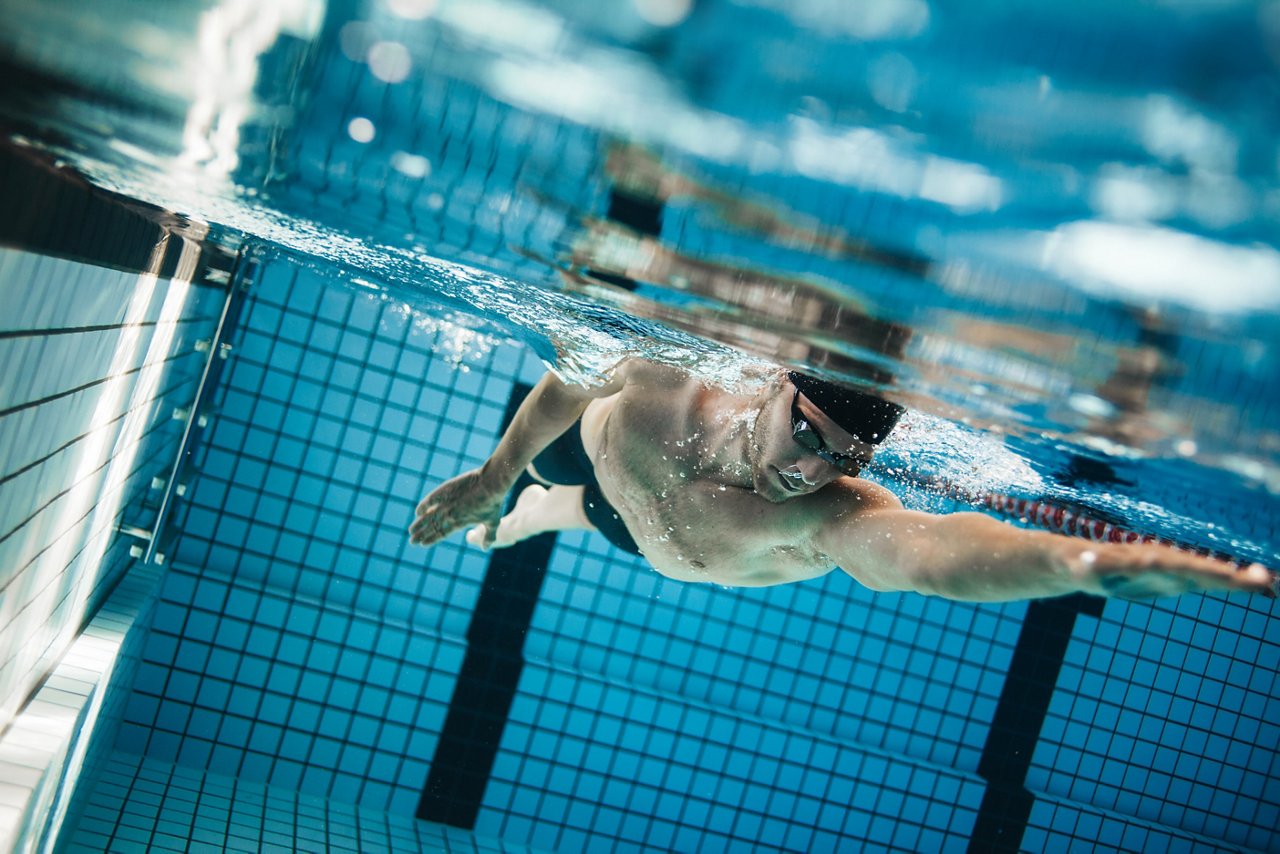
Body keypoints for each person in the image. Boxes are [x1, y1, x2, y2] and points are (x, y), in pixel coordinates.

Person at [409, 359, 1276, 602]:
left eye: (838, 459)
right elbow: (569, 378)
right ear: (780, 385)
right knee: (552, 474)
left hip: (638, 530)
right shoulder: (664, 380)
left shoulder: (828, 514)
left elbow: (929, 554)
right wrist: (491, 476)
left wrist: (1068, 566)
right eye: (804, 435)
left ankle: (536, 513)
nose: (806, 470)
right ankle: (521, 503)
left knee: (579, 516)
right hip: (595, 452)